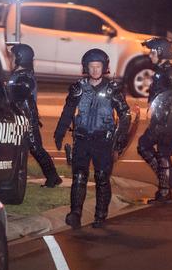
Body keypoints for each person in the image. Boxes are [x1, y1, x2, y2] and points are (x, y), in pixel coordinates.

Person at [53, 48, 131, 229]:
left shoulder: (113, 89)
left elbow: (125, 114)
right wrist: (59, 132)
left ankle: (100, 214)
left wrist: (120, 138)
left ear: (104, 67)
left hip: (103, 141)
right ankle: (75, 213)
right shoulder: (78, 88)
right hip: (81, 139)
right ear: (86, 67)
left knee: (102, 177)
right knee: (79, 177)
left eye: (98, 66)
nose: (95, 70)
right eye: (92, 66)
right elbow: (67, 112)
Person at [6, 44, 62, 188]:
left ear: (20, 58)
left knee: (36, 148)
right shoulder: (18, 74)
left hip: (27, 118)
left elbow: (17, 95)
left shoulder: (25, 77)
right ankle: (52, 177)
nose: (10, 59)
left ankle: (53, 177)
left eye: (12, 56)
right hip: (20, 117)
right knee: (24, 148)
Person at [137, 37, 172, 204]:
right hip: (158, 120)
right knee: (144, 147)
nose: (150, 55)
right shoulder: (160, 70)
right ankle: (166, 180)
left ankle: (165, 191)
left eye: (152, 51)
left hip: (166, 122)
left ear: (161, 52)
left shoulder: (171, 72)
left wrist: (171, 127)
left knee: (162, 153)